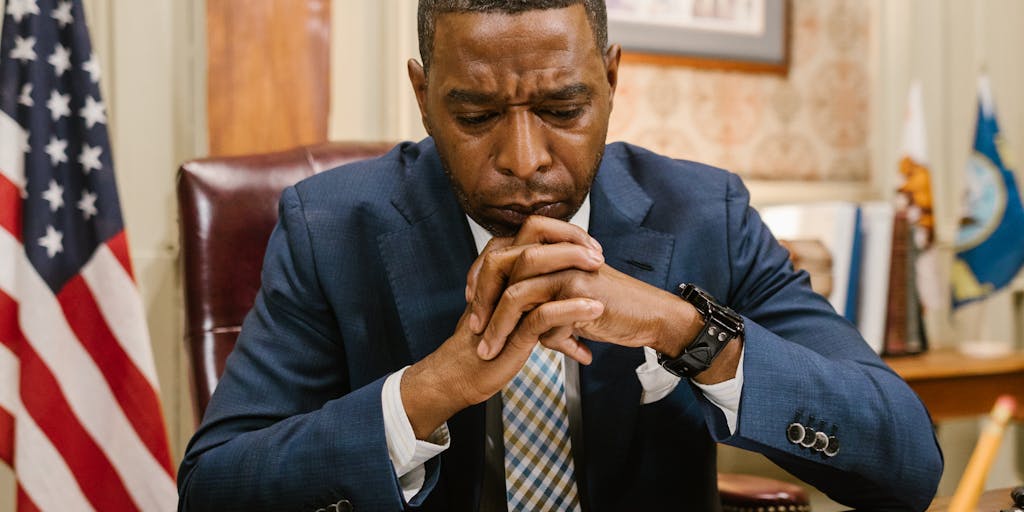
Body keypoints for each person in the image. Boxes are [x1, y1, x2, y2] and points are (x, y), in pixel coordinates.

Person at [177, 1, 943, 511]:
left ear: (611, 79)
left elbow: (908, 462)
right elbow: (215, 488)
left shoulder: (705, 214)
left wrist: (684, 330)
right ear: (421, 93)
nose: (524, 159)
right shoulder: (331, 227)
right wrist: (433, 388)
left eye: (563, 109)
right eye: (475, 114)